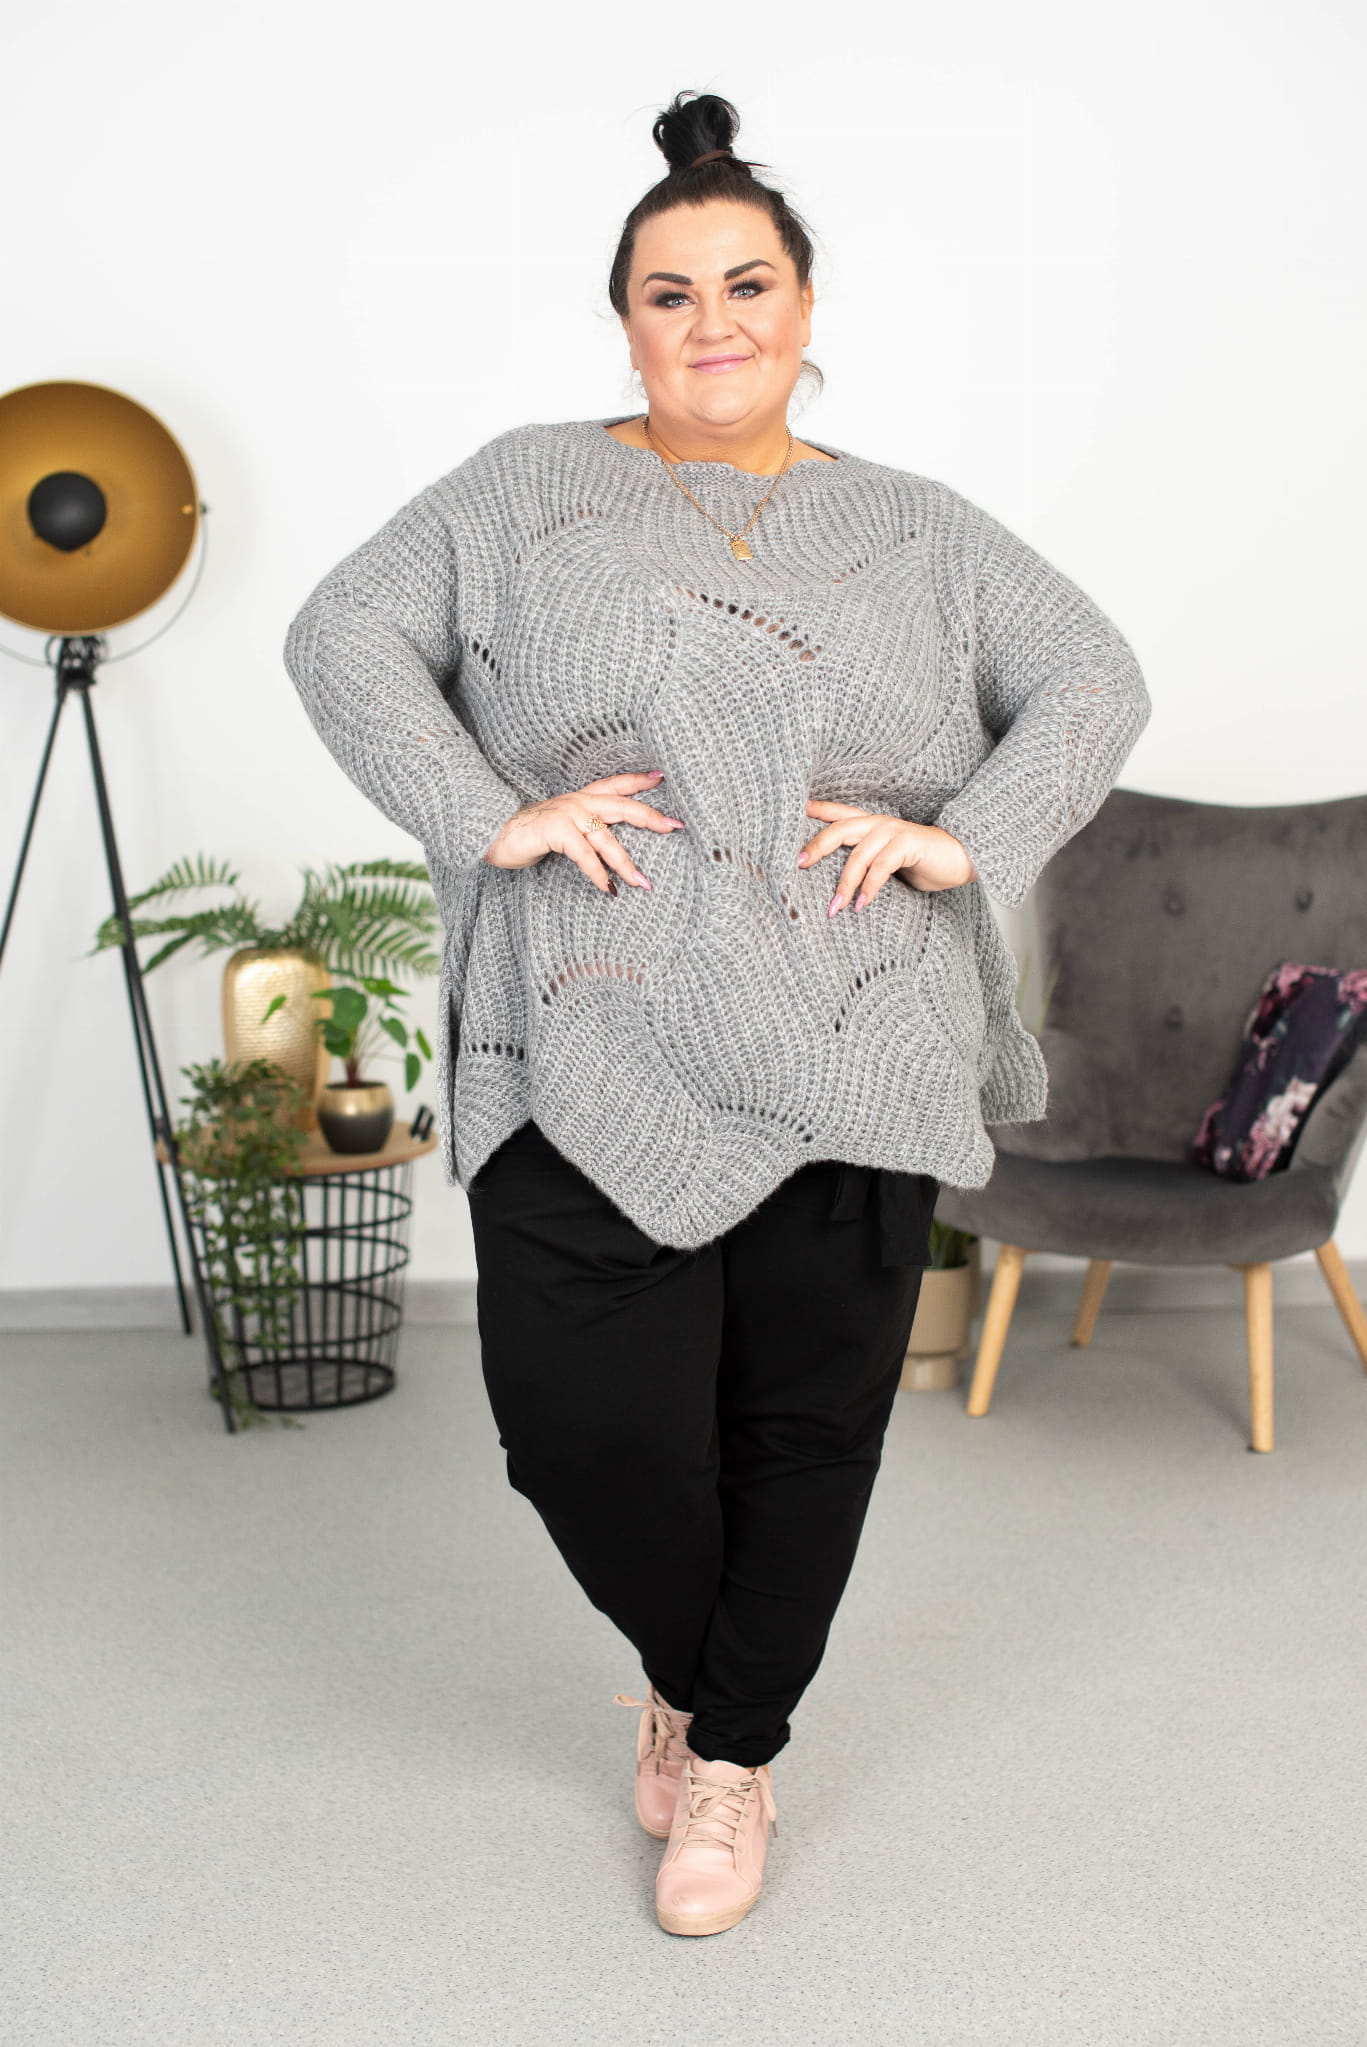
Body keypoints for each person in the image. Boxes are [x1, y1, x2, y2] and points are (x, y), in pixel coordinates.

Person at [283, 88, 1151, 1938]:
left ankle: (730, 1755)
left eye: (747, 285)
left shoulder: (918, 528)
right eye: (669, 294)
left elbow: (1091, 678)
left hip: (859, 1026)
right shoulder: (522, 488)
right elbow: (340, 636)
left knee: (806, 1424)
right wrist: (487, 813)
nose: (713, 323)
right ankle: (700, 1682)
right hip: (590, 1028)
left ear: (806, 306)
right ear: (626, 324)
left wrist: (963, 842)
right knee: (579, 1430)